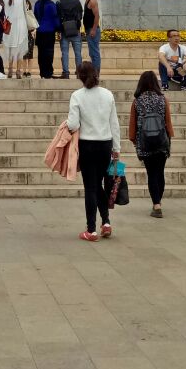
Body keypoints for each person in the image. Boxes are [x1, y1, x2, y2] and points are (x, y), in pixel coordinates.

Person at [67, 61, 121, 241]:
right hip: (105, 144)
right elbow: (114, 123)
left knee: (90, 187)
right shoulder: (107, 94)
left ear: (80, 77)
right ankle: (105, 222)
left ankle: (91, 229)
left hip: (87, 145)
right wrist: (116, 148)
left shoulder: (77, 96)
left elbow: (73, 124)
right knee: (98, 185)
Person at [127, 70, 174, 217]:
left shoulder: (137, 101)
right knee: (160, 173)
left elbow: (133, 125)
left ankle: (156, 204)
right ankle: (158, 201)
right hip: (161, 141)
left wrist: (134, 140)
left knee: (151, 173)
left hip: (145, 142)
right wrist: (169, 138)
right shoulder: (162, 99)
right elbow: (168, 122)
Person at [3, 0, 35, 78]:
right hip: (21, 27)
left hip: (9, 27)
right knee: (20, 50)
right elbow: (25, 13)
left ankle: (10, 70)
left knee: (10, 48)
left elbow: (3, 15)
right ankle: (18, 71)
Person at [56, 0, 84, 79]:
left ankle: (66, 73)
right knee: (78, 53)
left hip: (64, 31)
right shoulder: (77, 2)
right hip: (75, 30)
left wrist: (59, 30)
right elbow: (80, 15)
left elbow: (58, 17)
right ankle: (79, 73)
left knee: (65, 53)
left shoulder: (59, 3)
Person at [33, 0, 59, 78]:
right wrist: (58, 28)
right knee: (49, 52)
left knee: (41, 53)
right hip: (49, 32)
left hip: (40, 32)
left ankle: (42, 72)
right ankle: (48, 72)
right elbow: (55, 18)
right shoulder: (51, 5)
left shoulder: (37, 3)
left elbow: (35, 17)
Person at [77, 0, 102, 71]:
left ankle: (96, 73)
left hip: (92, 30)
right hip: (89, 29)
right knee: (92, 53)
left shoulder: (92, 1)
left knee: (94, 53)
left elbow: (97, 16)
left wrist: (94, 29)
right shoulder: (87, 0)